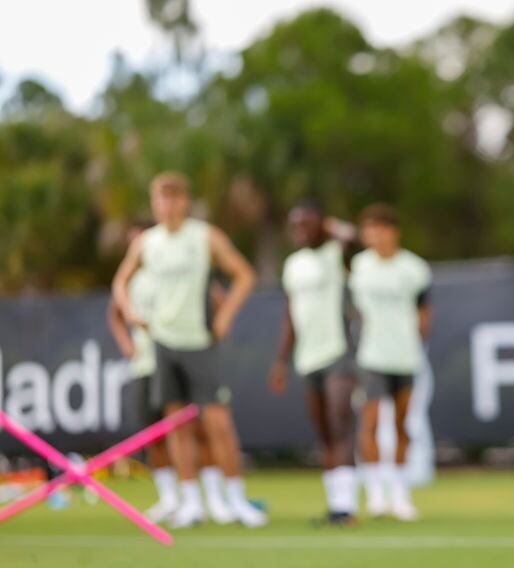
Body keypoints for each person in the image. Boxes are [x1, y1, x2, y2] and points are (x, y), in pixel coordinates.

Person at [112, 172, 266, 528]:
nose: (167, 205)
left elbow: (244, 274)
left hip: (198, 342)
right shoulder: (146, 243)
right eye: (160, 199)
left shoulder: (204, 236)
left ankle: (236, 499)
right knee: (175, 424)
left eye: (173, 197)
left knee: (218, 424)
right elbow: (121, 281)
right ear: (154, 204)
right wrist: (131, 312)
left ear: (185, 201)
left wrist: (225, 316)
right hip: (162, 344)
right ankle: (191, 502)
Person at [107, 221, 236, 524]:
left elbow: (219, 298)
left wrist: (218, 326)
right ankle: (172, 498)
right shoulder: (133, 282)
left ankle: (214, 497)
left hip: (184, 353)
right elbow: (115, 312)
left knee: (201, 429)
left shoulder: (180, 269)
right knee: (157, 433)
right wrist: (127, 343)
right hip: (146, 365)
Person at [269, 202, 360, 526]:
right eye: (296, 226)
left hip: (338, 352)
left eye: (307, 224)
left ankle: (347, 506)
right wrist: (281, 361)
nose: (300, 232)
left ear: (322, 225)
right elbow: (290, 316)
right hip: (307, 358)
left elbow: (357, 241)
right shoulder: (293, 265)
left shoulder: (337, 254)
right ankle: (335, 504)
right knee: (323, 430)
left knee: (341, 421)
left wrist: (334, 226)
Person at [349, 203, 431, 521]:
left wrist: (417, 344)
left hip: (406, 358)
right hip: (371, 357)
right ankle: (376, 494)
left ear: (393, 231)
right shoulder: (359, 267)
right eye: (368, 229)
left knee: (401, 425)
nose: (373, 235)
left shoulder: (414, 269)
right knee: (369, 423)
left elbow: (424, 312)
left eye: (379, 228)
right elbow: (354, 311)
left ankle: (400, 493)